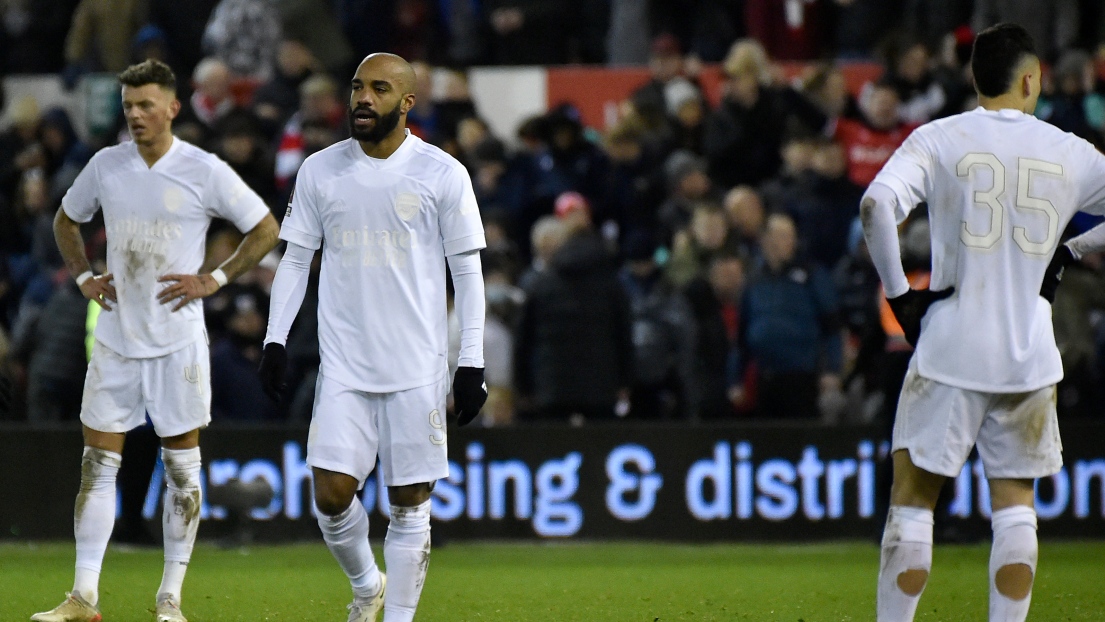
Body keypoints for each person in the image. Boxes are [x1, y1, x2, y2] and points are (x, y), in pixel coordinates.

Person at [861, 23, 1105, 622]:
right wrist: (1072, 251)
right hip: (1030, 355)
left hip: (950, 346)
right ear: (1030, 79)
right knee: (1016, 509)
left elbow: (875, 205)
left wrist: (899, 296)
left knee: (914, 506)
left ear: (974, 78)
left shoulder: (938, 139)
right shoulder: (1069, 150)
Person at [36, 58, 279, 622]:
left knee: (181, 469)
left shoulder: (203, 169)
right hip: (119, 338)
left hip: (177, 342)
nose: (136, 116)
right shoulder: (106, 165)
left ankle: (169, 599)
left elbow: (265, 227)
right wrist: (82, 277)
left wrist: (213, 279)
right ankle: (83, 597)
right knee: (97, 465)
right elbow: (65, 220)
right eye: (128, 107)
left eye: (147, 105)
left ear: (173, 107)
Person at [258, 52, 488, 622]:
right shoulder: (319, 170)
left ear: (408, 103)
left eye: (380, 89)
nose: (363, 98)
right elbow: (294, 261)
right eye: (358, 86)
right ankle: (367, 587)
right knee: (331, 496)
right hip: (344, 367)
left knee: (409, 504)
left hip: (416, 366)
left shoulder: (442, 174)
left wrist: (472, 361)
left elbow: (468, 272)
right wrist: (275, 340)